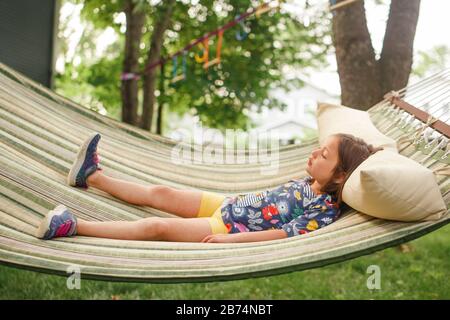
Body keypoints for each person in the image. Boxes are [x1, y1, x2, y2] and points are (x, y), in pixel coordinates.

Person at [36, 132, 383, 243]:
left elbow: (283, 235)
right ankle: (91, 177)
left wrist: (229, 239)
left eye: (323, 154)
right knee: (161, 193)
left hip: (227, 225)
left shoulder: (324, 209)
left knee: (157, 226)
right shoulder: (312, 182)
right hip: (228, 202)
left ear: (341, 175)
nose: (313, 153)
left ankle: (71, 226)